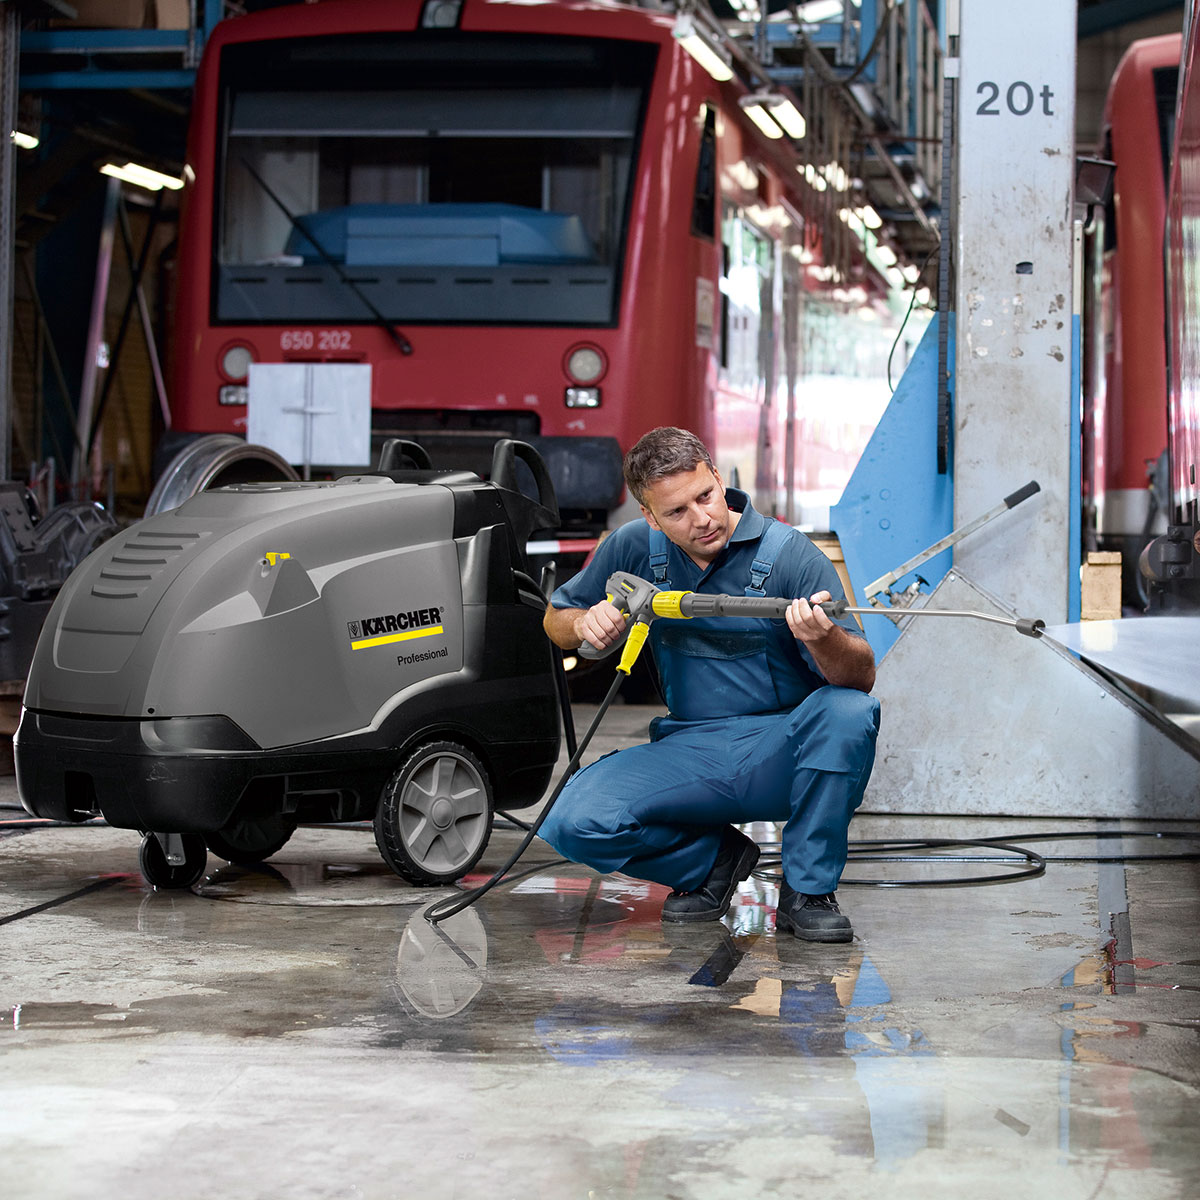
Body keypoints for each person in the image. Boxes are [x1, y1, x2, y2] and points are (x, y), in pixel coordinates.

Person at [541, 426, 880, 943]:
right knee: (572, 820)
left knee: (848, 712)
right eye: (677, 511)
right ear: (650, 516)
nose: (701, 518)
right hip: (689, 750)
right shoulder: (633, 547)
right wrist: (584, 622)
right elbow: (555, 617)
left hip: (780, 752)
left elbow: (860, 677)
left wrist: (824, 639)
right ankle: (711, 862)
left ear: (718, 479)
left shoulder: (791, 554)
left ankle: (807, 893)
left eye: (705, 496)